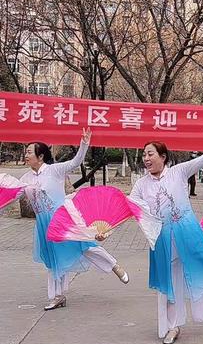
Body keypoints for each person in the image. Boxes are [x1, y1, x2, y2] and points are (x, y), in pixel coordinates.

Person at [129, 135, 203, 344]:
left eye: (150, 154)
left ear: (163, 157)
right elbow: (129, 207)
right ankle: (173, 326)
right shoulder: (141, 185)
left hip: (188, 231)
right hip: (162, 239)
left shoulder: (178, 172)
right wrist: (107, 230)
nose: (146, 159)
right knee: (170, 284)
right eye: (144, 155)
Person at [20, 128, 129, 311]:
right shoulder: (26, 177)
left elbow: (76, 161)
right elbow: (12, 191)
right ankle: (57, 296)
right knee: (54, 259)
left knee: (84, 246)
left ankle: (113, 265)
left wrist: (84, 143)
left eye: (29, 152)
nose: (26, 154)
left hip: (63, 219)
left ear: (40, 156)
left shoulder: (54, 170)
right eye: (26, 152)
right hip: (43, 224)